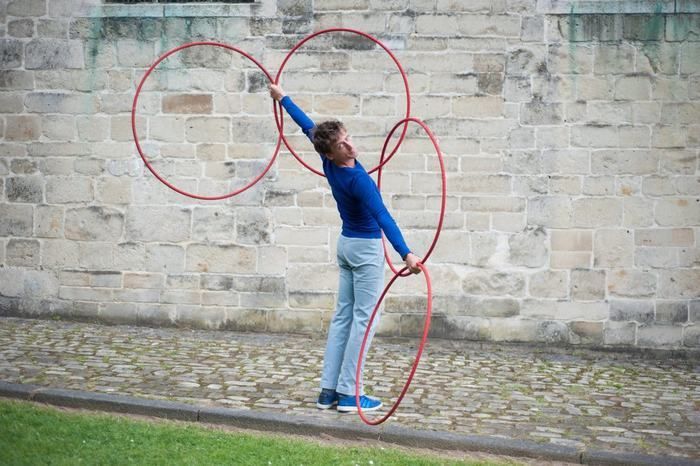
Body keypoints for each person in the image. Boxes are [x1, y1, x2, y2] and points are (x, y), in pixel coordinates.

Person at [270, 83, 422, 413]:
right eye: (342, 144)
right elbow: (382, 215)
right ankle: (350, 394)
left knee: (343, 317)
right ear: (330, 153)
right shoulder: (358, 180)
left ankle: (328, 391)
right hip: (365, 250)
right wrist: (406, 253)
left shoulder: (327, 157)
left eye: (348, 137)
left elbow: (305, 124)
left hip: (346, 246)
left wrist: (283, 98)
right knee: (364, 320)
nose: (351, 146)